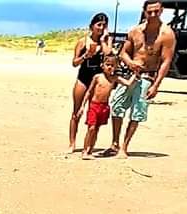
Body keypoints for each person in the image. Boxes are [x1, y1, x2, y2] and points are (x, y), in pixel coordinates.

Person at [104, 0, 176, 158]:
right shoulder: (135, 31)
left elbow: (165, 61)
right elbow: (123, 52)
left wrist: (156, 85)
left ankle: (124, 146)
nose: (153, 15)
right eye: (150, 11)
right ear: (144, 11)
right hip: (129, 74)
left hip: (147, 76)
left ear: (161, 10)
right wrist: (129, 62)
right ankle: (114, 143)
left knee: (137, 113)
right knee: (117, 106)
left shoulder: (167, 34)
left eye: (156, 11)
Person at [68, 13, 113, 152]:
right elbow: (74, 63)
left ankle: (88, 146)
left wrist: (104, 40)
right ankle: (72, 143)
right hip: (83, 78)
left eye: (104, 25)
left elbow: (109, 54)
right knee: (76, 112)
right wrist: (85, 56)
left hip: (98, 81)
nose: (101, 27)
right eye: (98, 24)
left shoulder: (106, 40)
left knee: (94, 113)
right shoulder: (83, 42)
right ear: (91, 26)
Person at [79, 56, 137, 159]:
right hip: (94, 105)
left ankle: (90, 150)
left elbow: (128, 83)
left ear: (116, 67)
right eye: (108, 65)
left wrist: (135, 74)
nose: (110, 67)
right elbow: (89, 91)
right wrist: (82, 106)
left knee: (96, 129)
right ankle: (85, 150)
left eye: (112, 65)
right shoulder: (97, 77)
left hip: (104, 106)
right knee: (91, 128)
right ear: (102, 66)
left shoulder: (114, 78)